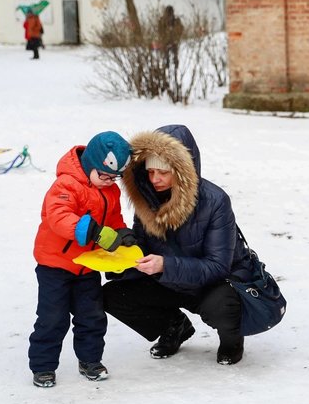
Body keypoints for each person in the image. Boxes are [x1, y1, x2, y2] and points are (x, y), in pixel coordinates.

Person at [102, 124, 256, 365]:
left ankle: (232, 339)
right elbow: (141, 246)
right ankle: (174, 326)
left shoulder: (215, 201)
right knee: (112, 295)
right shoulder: (146, 197)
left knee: (225, 306)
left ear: (183, 170)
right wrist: (119, 258)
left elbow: (217, 266)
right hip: (166, 281)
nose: (155, 179)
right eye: (150, 171)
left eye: (164, 172)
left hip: (211, 286)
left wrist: (165, 265)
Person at [28, 131, 134, 388]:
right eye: (105, 175)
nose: (109, 181)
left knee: (92, 316)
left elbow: (113, 219)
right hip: (55, 265)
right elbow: (59, 217)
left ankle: (90, 360)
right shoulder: (66, 185)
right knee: (53, 318)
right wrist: (93, 233)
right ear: (91, 165)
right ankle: (43, 366)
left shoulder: (109, 191)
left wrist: (122, 233)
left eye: (115, 177)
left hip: (88, 265)